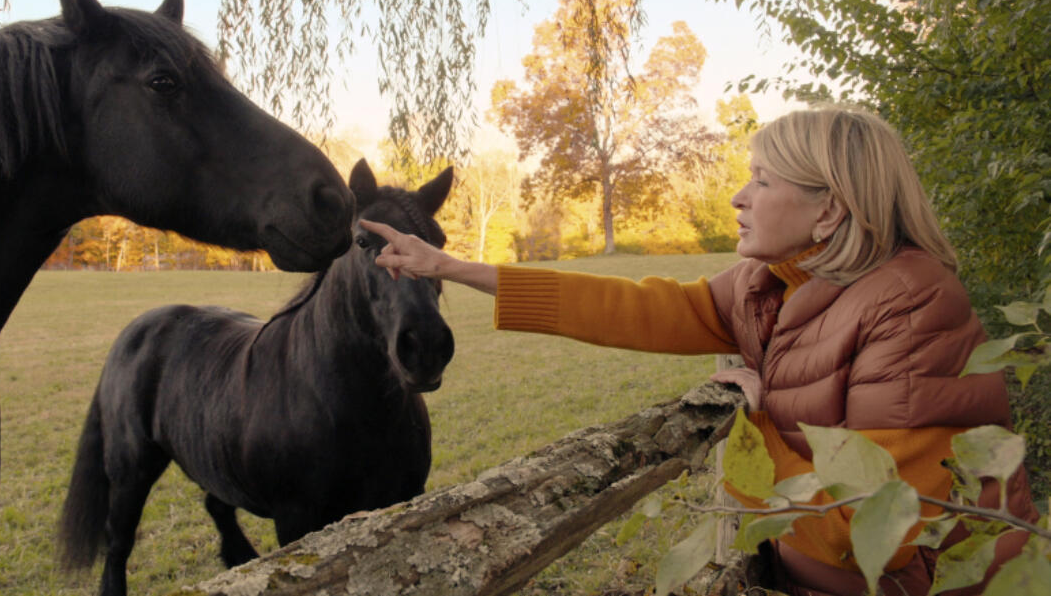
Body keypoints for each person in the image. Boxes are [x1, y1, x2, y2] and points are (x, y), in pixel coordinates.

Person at [359, 107, 1038, 596]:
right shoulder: (769, 285)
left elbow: (874, 536)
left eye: (763, 181)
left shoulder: (913, 307)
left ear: (829, 211)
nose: (739, 197)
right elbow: (632, 307)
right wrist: (449, 267)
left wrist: (755, 428)